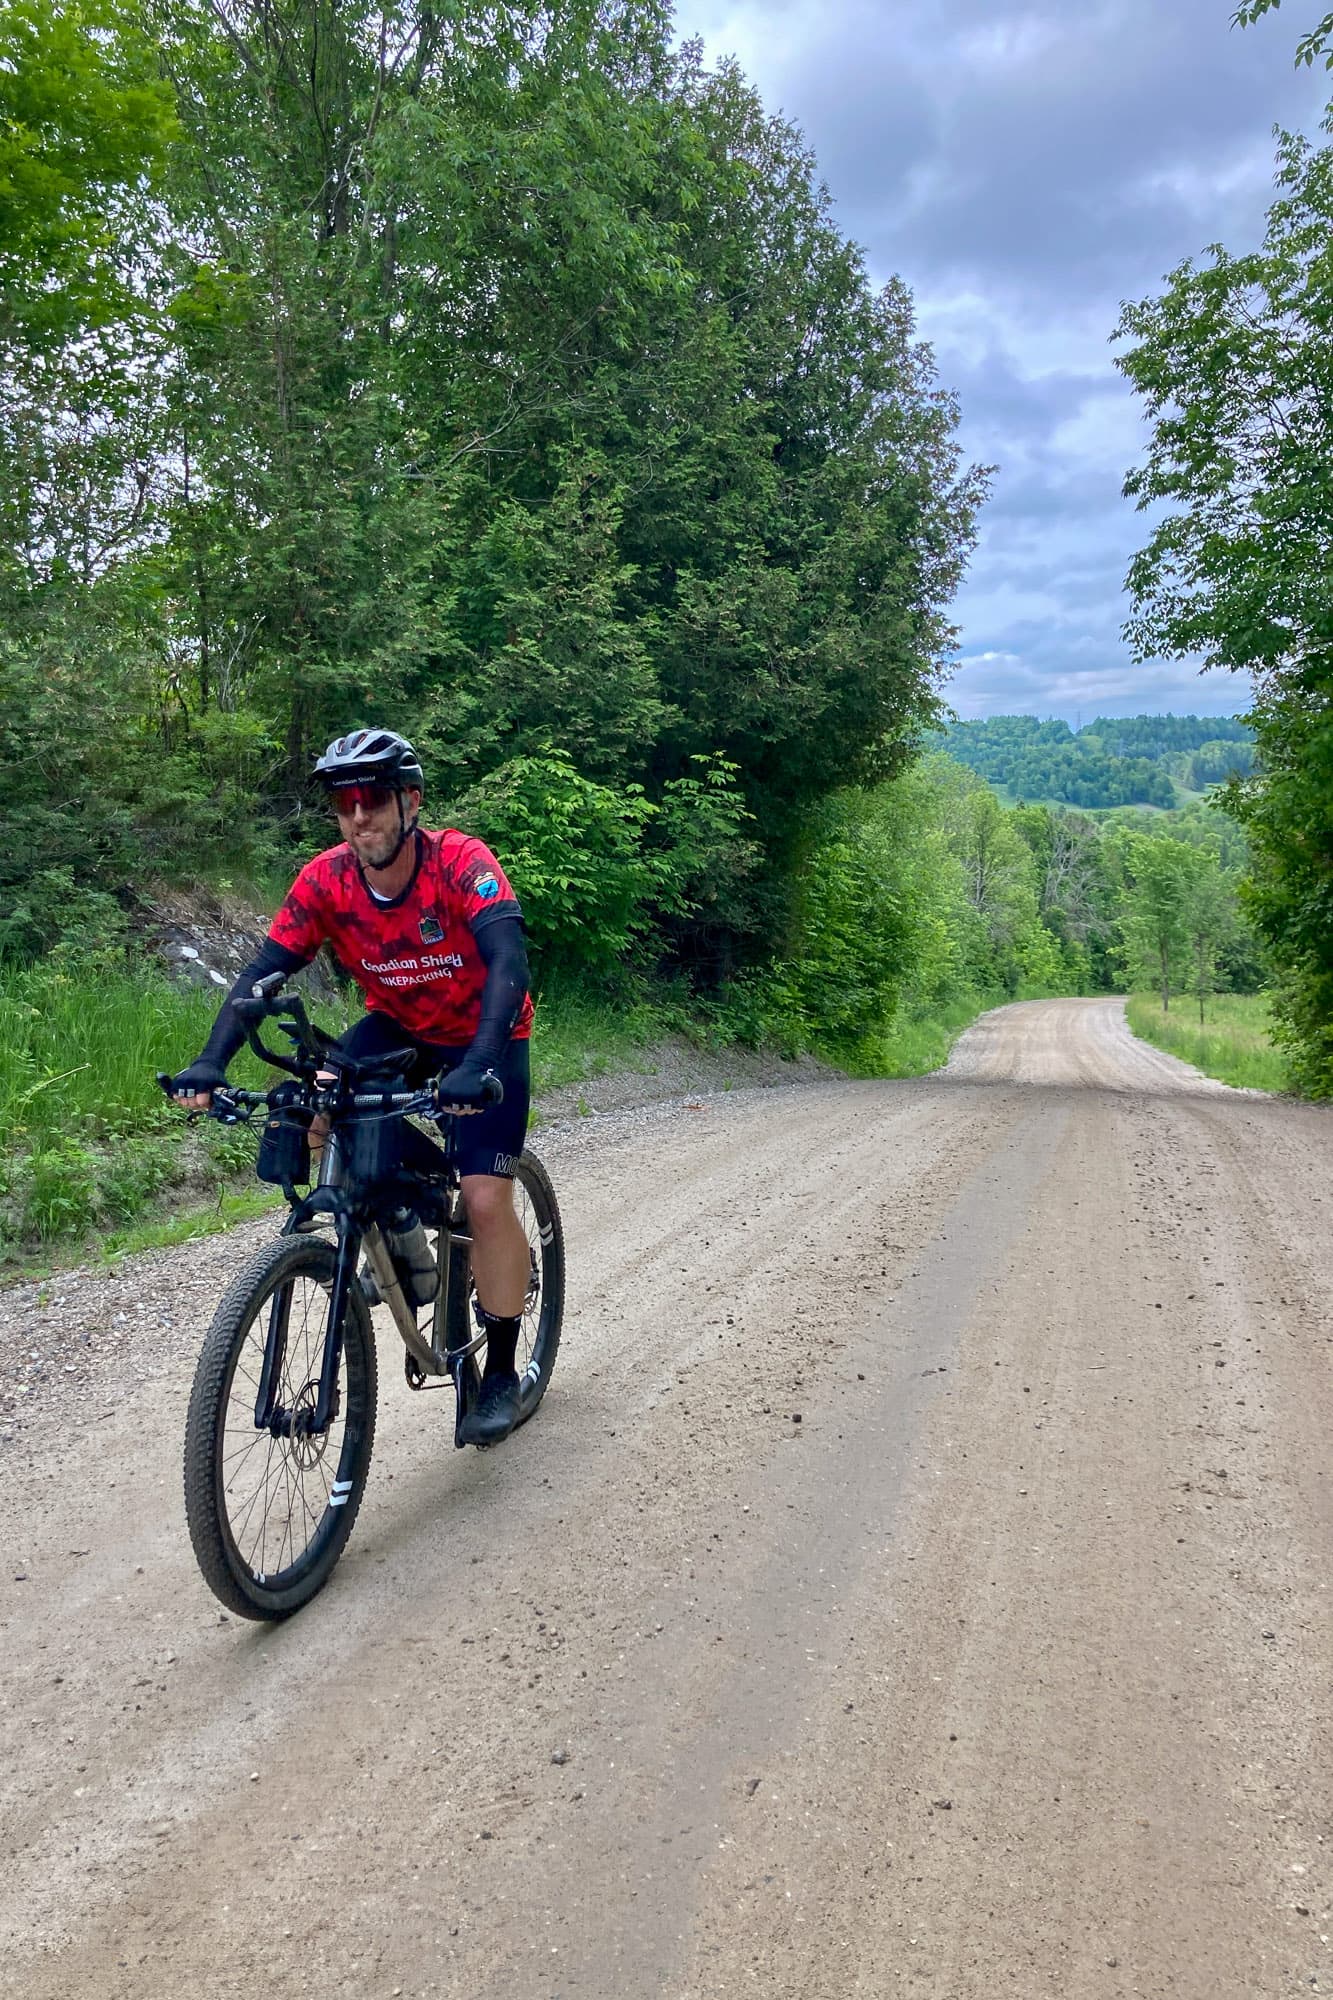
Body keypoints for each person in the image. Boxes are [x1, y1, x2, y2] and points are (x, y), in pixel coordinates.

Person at [169, 727, 534, 1446]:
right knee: (318, 1100)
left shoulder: (462, 863)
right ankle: (394, 1228)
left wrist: (479, 1060)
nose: (358, 815)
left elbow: (507, 961)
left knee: (485, 1197)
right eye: (344, 802)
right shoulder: (325, 878)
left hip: (485, 1030)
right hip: (397, 1022)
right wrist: (210, 1062)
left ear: (410, 802)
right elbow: (259, 977)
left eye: (371, 798)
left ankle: (498, 1373)